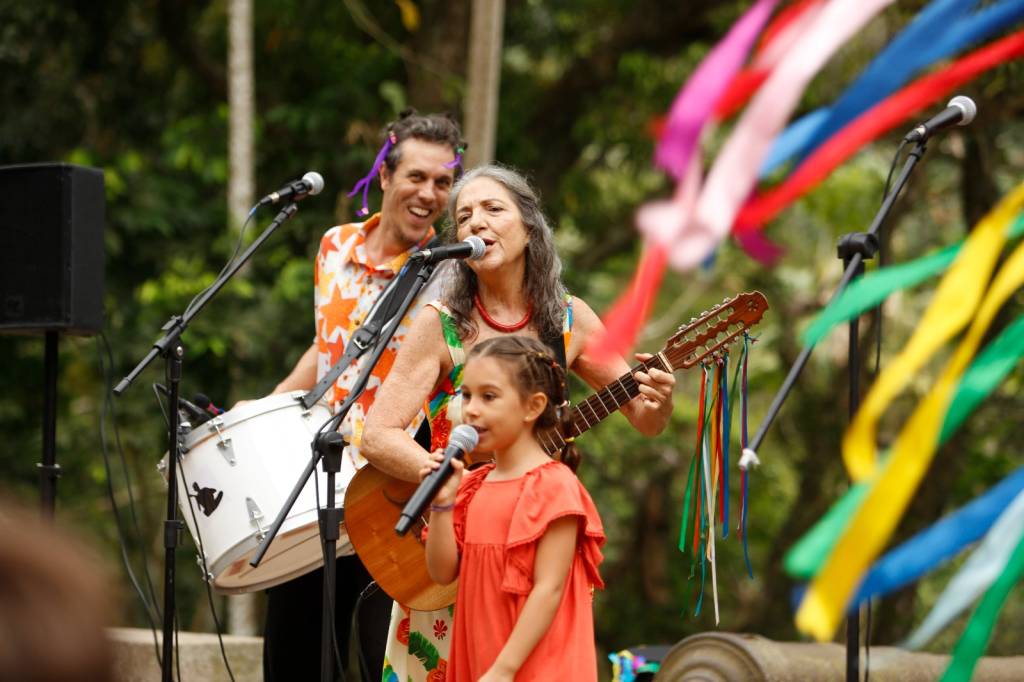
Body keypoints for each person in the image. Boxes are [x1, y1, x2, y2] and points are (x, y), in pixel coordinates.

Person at [361, 164, 676, 682]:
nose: (476, 223)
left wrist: (659, 401)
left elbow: (644, 419)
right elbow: (377, 434)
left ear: (530, 228)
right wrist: (447, 485)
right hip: (450, 539)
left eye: (493, 209)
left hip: (536, 539)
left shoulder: (568, 320)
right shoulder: (441, 323)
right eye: (464, 216)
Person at [259, 110, 465, 682]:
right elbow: (329, 346)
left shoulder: (448, 275)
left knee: (381, 657)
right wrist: (271, 405)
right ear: (386, 175)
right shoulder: (334, 246)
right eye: (416, 176)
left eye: (443, 182)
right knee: (295, 649)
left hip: (390, 489)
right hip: (316, 481)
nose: (429, 194)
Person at [420, 335, 606, 681]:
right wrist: (442, 505)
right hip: (482, 660)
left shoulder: (553, 486)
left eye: (489, 396)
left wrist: (504, 670)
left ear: (533, 407)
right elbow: (441, 573)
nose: (472, 409)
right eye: (466, 395)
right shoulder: (473, 487)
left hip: (531, 666)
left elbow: (549, 589)